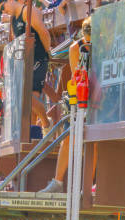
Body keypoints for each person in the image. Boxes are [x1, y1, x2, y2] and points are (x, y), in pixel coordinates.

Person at [40, 17, 94, 193]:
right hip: (81, 95)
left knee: (95, 140)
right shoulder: (75, 49)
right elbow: (78, 75)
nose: (89, 43)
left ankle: (89, 185)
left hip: (99, 98)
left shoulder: (104, 45)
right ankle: (58, 181)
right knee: (69, 136)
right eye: (87, 39)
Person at [0, 0, 53, 134]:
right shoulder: (13, 19)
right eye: (1, 11)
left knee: (28, 97)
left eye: (3, 8)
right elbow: (13, 41)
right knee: (27, 104)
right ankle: (33, 134)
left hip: (38, 59)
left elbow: (43, 32)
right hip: (24, 62)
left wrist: (48, 54)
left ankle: (46, 123)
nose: (3, 12)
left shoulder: (28, 11)